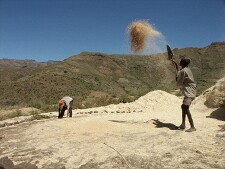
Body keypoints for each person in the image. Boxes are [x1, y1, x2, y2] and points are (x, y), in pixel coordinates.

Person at [176, 57, 197, 132]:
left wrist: (177, 77)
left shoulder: (183, 71)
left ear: (183, 63)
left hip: (189, 91)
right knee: (183, 106)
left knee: (185, 108)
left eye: (181, 61)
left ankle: (192, 127)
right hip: (191, 90)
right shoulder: (186, 69)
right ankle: (183, 124)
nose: (180, 61)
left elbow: (179, 83)